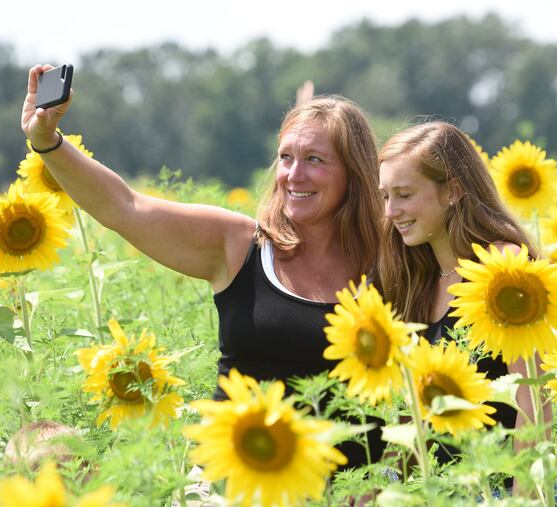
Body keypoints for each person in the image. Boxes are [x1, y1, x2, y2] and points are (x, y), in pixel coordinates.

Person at [21, 66, 386, 468]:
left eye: (315, 159)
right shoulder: (240, 247)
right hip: (234, 483)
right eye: (286, 157)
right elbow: (125, 207)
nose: (293, 175)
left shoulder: (393, 264)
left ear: (355, 173)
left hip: (357, 490)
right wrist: (46, 141)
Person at [376, 121, 550, 488]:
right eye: (385, 196)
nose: (391, 211)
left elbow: (534, 396)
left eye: (404, 194)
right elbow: (414, 416)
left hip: (501, 490)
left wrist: (522, 497)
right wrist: (379, 487)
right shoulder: (418, 280)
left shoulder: (504, 270)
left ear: (453, 191)